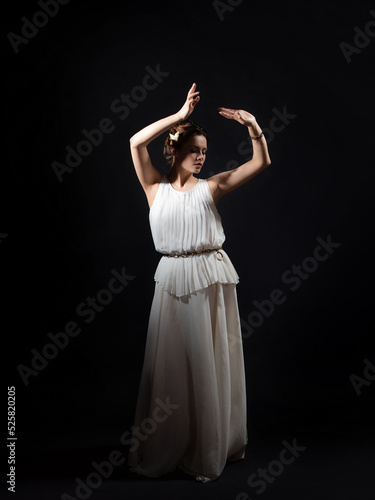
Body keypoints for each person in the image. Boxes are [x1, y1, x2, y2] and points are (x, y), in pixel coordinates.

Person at [127, 83, 271, 482]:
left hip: (208, 277)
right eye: (195, 150)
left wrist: (253, 125)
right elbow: (136, 142)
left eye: (205, 151)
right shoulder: (154, 187)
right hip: (171, 277)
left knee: (208, 361)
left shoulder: (213, 187)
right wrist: (178, 116)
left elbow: (260, 164)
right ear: (174, 151)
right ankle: (174, 442)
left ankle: (208, 447)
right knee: (171, 364)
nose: (202, 157)